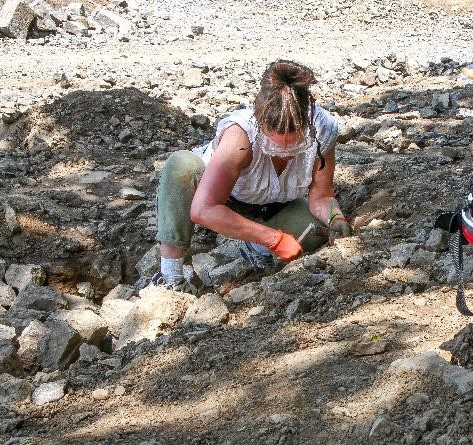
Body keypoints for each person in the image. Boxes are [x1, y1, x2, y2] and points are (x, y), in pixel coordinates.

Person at [146, 59, 351, 293]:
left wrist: (336, 218)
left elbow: (322, 196)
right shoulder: (241, 135)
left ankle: (254, 246)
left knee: (314, 233)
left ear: (307, 125)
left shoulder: (322, 130)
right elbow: (204, 209)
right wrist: (274, 239)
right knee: (182, 166)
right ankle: (170, 277)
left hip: (273, 206)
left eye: (294, 145)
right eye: (275, 145)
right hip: (223, 200)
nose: (285, 152)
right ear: (261, 122)